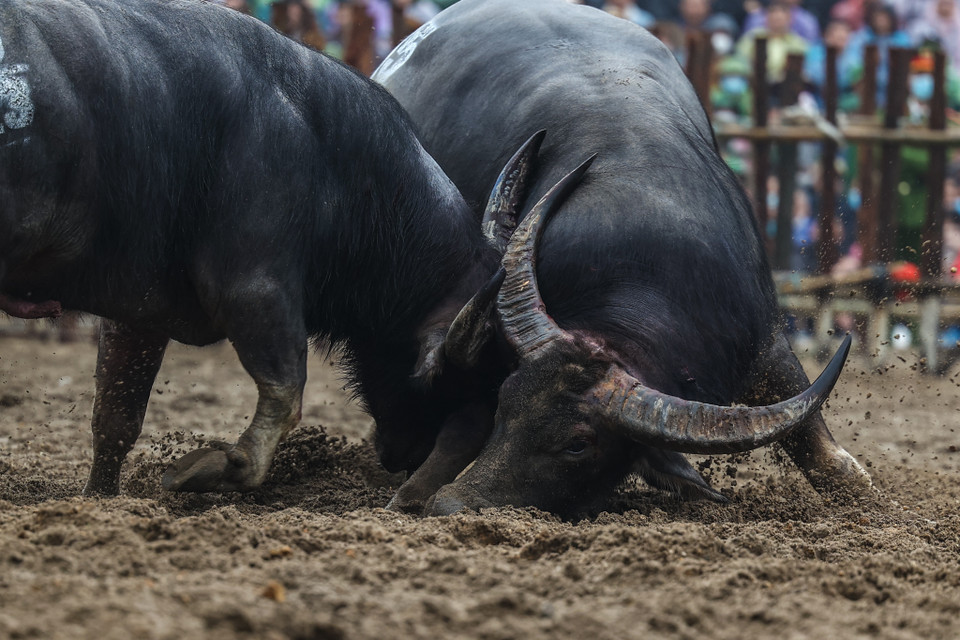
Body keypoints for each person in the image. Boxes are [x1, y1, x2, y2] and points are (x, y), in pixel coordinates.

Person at [736, 1, 809, 83]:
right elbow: (740, 61)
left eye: (780, 18)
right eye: (773, 15)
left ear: (790, 19)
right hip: (755, 83)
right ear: (767, 17)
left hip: (786, 86)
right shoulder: (753, 37)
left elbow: (804, 69)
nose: (776, 19)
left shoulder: (797, 43)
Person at [744, 0, 822, 44]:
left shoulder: (808, 21)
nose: (777, 17)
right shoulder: (756, 19)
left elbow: (811, 50)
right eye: (773, 12)